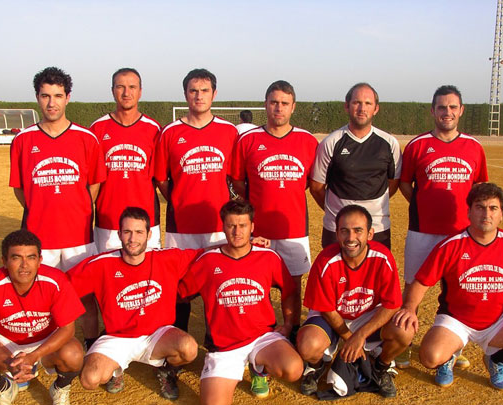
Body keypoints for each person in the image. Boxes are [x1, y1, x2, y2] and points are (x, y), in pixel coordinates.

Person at [393, 183, 503, 391]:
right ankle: (448, 357)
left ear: (501, 214)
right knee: (430, 357)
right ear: (469, 212)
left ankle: (496, 359)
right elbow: (422, 282)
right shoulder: (452, 245)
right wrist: (409, 308)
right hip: (456, 320)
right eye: (480, 207)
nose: (486, 214)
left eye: (493, 208)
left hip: (498, 321)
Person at [179, 200, 303, 405]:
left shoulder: (268, 257)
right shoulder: (208, 261)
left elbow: (289, 291)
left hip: (262, 337)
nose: (237, 232)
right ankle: (228, 372)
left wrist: (289, 324)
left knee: (293, 369)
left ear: (252, 227)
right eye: (231, 226)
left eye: (243, 226)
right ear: (223, 226)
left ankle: (259, 368)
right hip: (225, 347)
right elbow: (180, 293)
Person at [397, 85, 488, 369]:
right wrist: (425, 204)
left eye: (452, 107)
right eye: (441, 107)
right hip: (422, 231)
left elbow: (480, 188)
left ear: (460, 110)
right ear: (432, 111)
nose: (446, 112)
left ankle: (452, 348)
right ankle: (402, 343)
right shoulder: (417, 145)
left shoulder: (474, 147)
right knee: (413, 287)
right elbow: (404, 183)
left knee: (457, 291)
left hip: (461, 234)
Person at [67, 207, 199, 400]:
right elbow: (61, 286)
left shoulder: (166, 258)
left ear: (149, 234)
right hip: (117, 337)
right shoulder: (101, 264)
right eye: (127, 232)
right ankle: (115, 370)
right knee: (90, 379)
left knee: (189, 348)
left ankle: (165, 370)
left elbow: (206, 254)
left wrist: (247, 245)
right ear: (119, 234)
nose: (132, 239)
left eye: (139, 232)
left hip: (157, 334)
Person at [0, 230, 85, 405]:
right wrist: (7, 362)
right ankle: (4, 389)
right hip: (8, 340)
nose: (24, 265)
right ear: (4, 260)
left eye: (31, 257)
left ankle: (59, 388)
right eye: (16, 258)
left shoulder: (56, 280)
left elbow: (68, 329)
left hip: (46, 338)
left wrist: (34, 356)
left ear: (40, 259)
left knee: (75, 354)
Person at [231, 80, 317, 343]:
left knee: (292, 284)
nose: (278, 108)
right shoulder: (248, 140)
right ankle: (262, 331)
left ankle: (291, 329)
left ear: (293, 107)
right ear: (265, 104)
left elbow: (311, 182)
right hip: (260, 228)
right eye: (273, 102)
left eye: (284, 103)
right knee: (258, 283)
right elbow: (238, 181)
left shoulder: (307, 141)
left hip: (293, 228)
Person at [296, 205, 413, 398]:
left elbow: (392, 304)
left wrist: (359, 337)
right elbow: (326, 308)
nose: (351, 238)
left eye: (358, 230)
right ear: (336, 233)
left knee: (405, 330)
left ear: (370, 233)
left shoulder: (382, 257)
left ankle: (381, 366)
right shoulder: (326, 261)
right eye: (344, 231)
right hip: (333, 316)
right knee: (308, 345)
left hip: (367, 314)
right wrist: (349, 337)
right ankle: (317, 366)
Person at [154, 68, 238, 332]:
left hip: (218, 225)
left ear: (214, 94)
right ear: (185, 95)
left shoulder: (229, 132)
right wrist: (179, 200)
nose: (198, 96)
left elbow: (235, 177)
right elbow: (161, 179)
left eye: (204, 91)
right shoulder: (169, 132)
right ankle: (177, 346)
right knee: (181, 288)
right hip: (182, 227)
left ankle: (218, 341)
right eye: (193, 91)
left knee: (221, 283)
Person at [9, 66, 106, 271]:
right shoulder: (22, 140)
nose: (51, 103)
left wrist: (77, 210)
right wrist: (40, 208)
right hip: (38, 236)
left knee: (83, 296)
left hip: (79, 237)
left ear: (67, 97)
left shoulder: (87, 138)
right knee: (42, 296)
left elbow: (94, 185)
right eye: (45, 96)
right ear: (37, 97)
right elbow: (19, 188)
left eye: (58, 96)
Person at [310, 82, 401, 250]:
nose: (362, 108)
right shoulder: (331, 142)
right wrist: (340, 214)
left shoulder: (389, 143)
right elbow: (316, 187)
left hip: (377, 227)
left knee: (374, 276)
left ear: (376, 109)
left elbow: (392, 184)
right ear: (347, 106)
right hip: (338, 228)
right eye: (356, 102)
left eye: (368, 103)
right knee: (336, 276)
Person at [90, 68, 162, 252]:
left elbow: (160, 178)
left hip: (146, 222)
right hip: (107, 221)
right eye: (120, 87)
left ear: (140, 91)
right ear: (112, 90)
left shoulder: (154, 130)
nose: (126, 93)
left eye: (132, 87)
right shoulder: (97, 129)